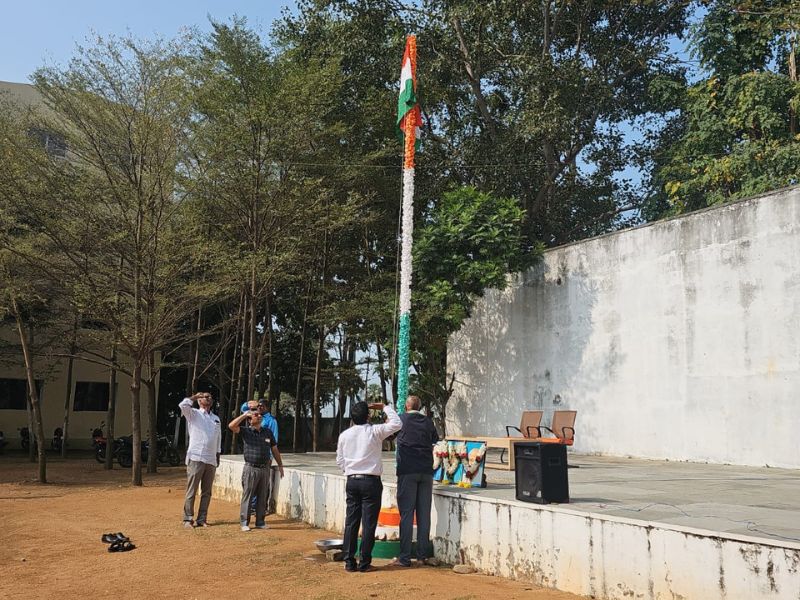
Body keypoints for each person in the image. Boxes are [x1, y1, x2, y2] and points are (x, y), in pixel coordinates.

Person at [336, 401, 402, 573]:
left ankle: (349, 561)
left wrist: (350, 471)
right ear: (368, 416)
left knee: (351, 521)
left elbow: (340, 460)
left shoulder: (344, 435)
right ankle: (364, 562)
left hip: (352, 480)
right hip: (371, 481)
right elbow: (397, 423)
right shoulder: (375, 431)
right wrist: (385, 407)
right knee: (369, 522)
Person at [391, 395, 439, 567]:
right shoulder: (427, 422)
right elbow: (435, 439)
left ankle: (404, 557)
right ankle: (422, 556)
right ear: (419, 407)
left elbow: (389, 435)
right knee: (424, 515)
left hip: (407, 471)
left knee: (407, 515)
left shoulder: (401, 420)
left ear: (406, 406)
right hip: (426, 472)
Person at [229, 409, 285, 531]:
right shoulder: (246, 431)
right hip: (251, 468)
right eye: (255, 415)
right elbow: (231, 426)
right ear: (250, 420)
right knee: (248, 496)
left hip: (265, 468)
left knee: (262, 495)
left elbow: (274, 449)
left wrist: (280, 465)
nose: (259, 416)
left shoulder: (268, 432)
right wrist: (244, 415)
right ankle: (244, 522)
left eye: (260, 415)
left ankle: (260, 521)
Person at [179, 392, 222, 528]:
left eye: (209, 396)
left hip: (211, 458)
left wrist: (217, 454)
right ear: (199, 401)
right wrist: (194, 396)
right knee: (192, 489)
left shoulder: (216, 419)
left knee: (207, 492)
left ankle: (202, 518)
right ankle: (188, 519)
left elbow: (218, 438)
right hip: (196, 456)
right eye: (204, 396)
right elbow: (183, 405)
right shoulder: (194, 414)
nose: (207, 398)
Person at [241, 399, 279, 515]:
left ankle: (260, 508)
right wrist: (249, 404)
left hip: (265, 456)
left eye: (261, 406)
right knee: (251, 484)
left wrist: (271, 456)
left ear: (267, 407)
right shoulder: (253, 415)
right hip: (252, 456)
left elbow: (274, 440)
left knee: (263, 485)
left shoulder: (271, 420)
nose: (259, 408)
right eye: (258, 406)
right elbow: (243, 409)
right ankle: (252, 507)